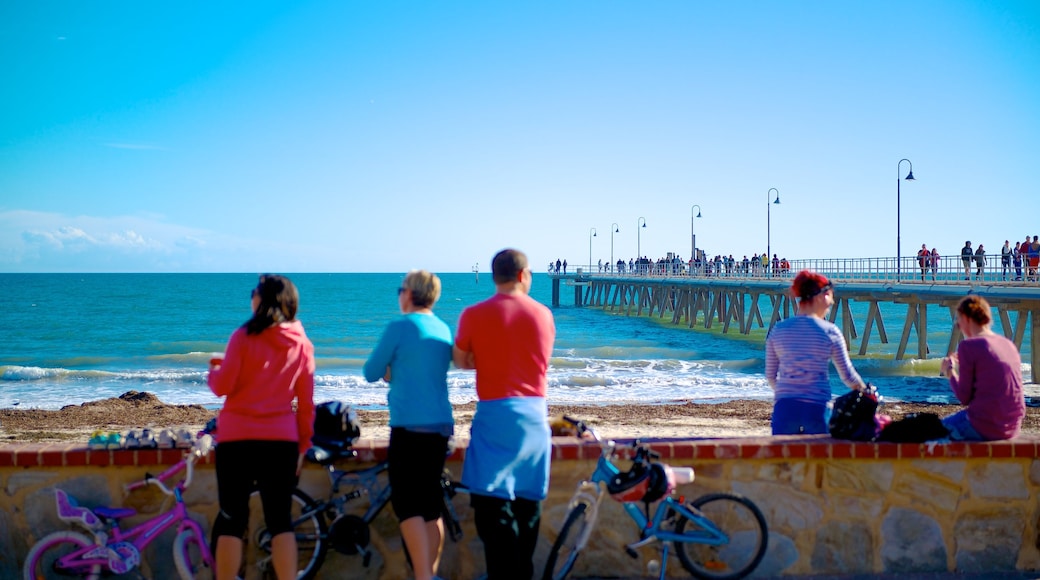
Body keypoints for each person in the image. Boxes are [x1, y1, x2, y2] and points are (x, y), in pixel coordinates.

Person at [453, 249, 555, 580]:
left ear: (494, 276)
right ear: (524, 275)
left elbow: (462, 360)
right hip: (534, 417)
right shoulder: (543, 315)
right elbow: (542, 360)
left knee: (491, 508)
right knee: (528, 509)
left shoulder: (473, 314)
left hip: (495, 415)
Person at [208, 274, 315, 580]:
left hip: (236, 440)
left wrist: (214, 370)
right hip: (281, 442)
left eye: (254, 292)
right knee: (281, 522)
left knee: (231, 519)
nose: (251, 297)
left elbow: (222, 386)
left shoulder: (243, 336)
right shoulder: (302, 344)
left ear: (263, 299)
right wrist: (303, 445)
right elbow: (306, 405)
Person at [362, 270, 454, 580]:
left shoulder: (400, 326)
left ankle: (423, 577)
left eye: (400, 289)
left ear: (410, 294)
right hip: (441, 426)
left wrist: (390, 369)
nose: (399, 294)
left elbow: (371, 371)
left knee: (406, 505)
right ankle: (428, 573)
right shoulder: (442, 328)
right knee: (430, 506)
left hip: (410, 427)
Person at [765, 270, 867, 435]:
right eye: (830, 298)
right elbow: (848, 376)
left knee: (784, 458)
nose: (831, 304)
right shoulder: (830, 331)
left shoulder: (778, 330)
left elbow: (770, 376)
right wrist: (865, 391)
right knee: (817, 459)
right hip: (817, 407)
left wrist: (787, 392)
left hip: (784, 407)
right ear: (823, 295)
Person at [938, 295, 1025, 440]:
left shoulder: (969, 346)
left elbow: (964, 397)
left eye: (958, 323)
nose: (959, 327)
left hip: (985, 426)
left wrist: (950, 371)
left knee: (931, 431)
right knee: (956, 418)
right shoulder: (1007, 344)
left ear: (966, 318)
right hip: (1012, 426)